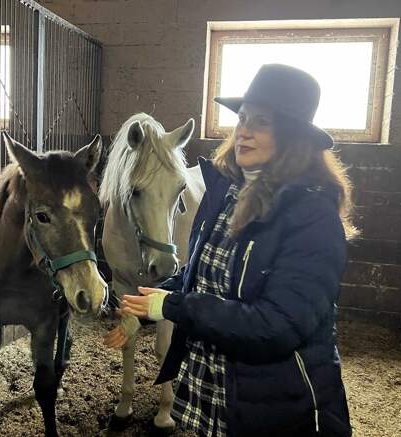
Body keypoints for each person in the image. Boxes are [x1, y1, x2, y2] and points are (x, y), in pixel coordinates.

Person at [110, 64, 356, 436]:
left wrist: (172, 307)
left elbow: (275, 326)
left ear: (292, 136)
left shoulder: (312, 218)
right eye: (242, 119)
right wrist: (147, 304)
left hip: (275, 406)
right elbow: (200, 274)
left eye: (261, 122)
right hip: (217, 389)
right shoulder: (226, 195)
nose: (244, 131)